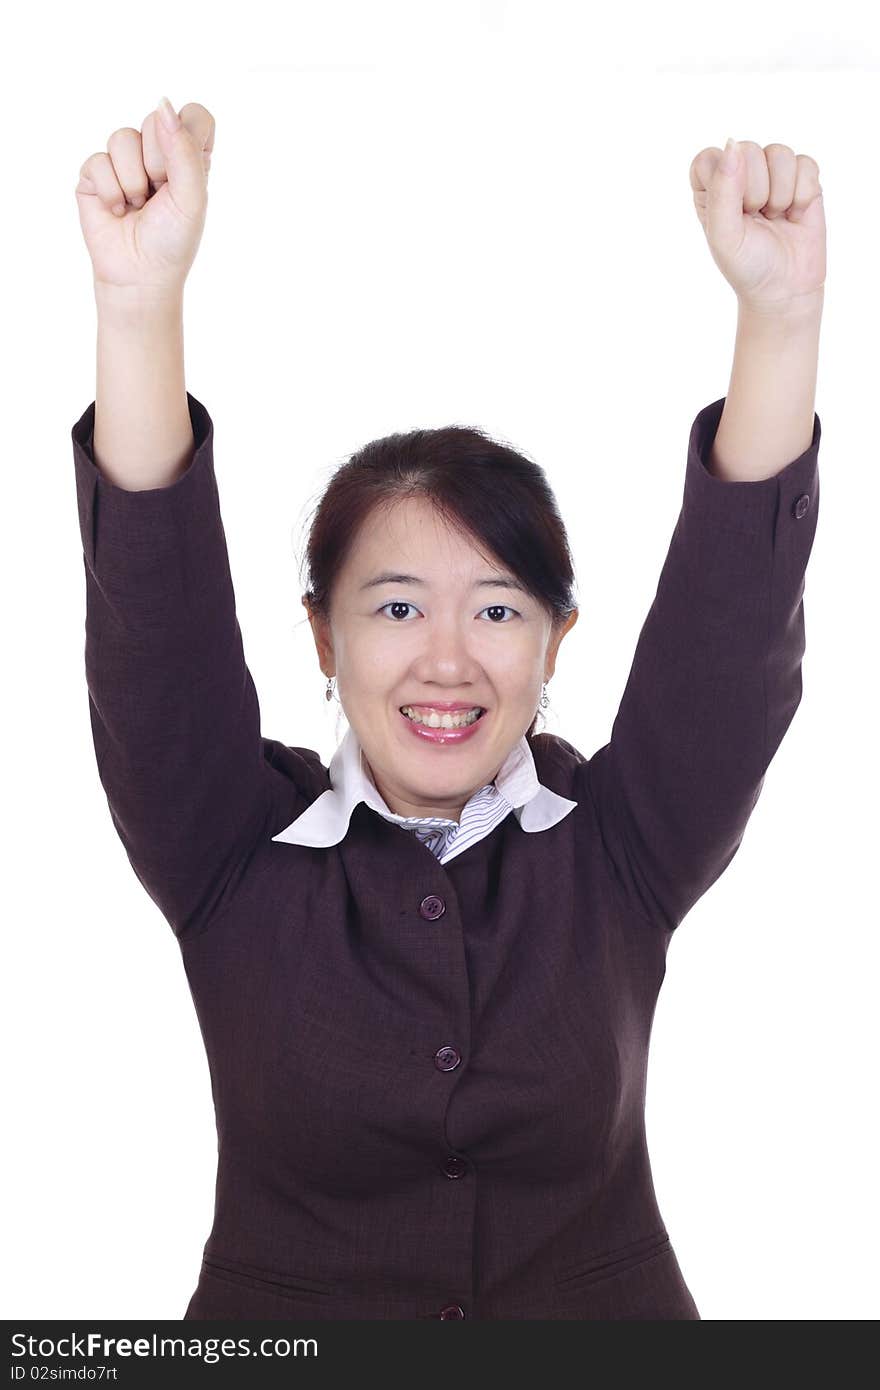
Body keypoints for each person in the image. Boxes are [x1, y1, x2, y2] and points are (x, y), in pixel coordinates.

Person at [71, 100, 823, 1320]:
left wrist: (779, 317)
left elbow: (729, 645)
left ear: (551, 645)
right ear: (323, 635)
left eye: (497, 610)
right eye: (397, 608)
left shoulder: (617, 850)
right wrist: (137, 305)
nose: (448, 662)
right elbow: (151, 633)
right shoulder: (228, 851)